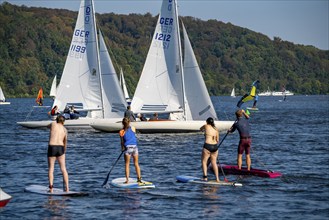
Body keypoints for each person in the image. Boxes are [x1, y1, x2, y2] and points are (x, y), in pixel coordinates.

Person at [47, 115, 69, 192]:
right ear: (63, 122)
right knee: (63, 169)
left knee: (51, 169)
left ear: (57, 120)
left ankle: (51, 188)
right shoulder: (65, 130)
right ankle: (67, 188)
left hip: (52, 147)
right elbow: (65, 142)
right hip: (61, 148)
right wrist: (64, 152)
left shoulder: (53, 124)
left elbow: (47, 126)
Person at [119, 117, 141, 184]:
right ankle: (139, 179)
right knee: (136, 163)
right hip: (135, 147)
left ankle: (127, 180)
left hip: (128, 148)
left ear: (122, 123)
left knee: (127, 164)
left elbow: (122, 142)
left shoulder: (121, 131)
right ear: (129, 122)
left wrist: (122, 148)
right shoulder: (133, 128)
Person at [200, 117, 220, 182]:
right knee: (214, 163)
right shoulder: (216, 129)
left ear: (207, 122)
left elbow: (200, 128)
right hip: (215, 147)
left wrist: (204, 131)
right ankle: (217, 179)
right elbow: (217, 140)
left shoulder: (206, 126)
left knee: (204, 161)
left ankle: (205, 177)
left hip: (207, 146)